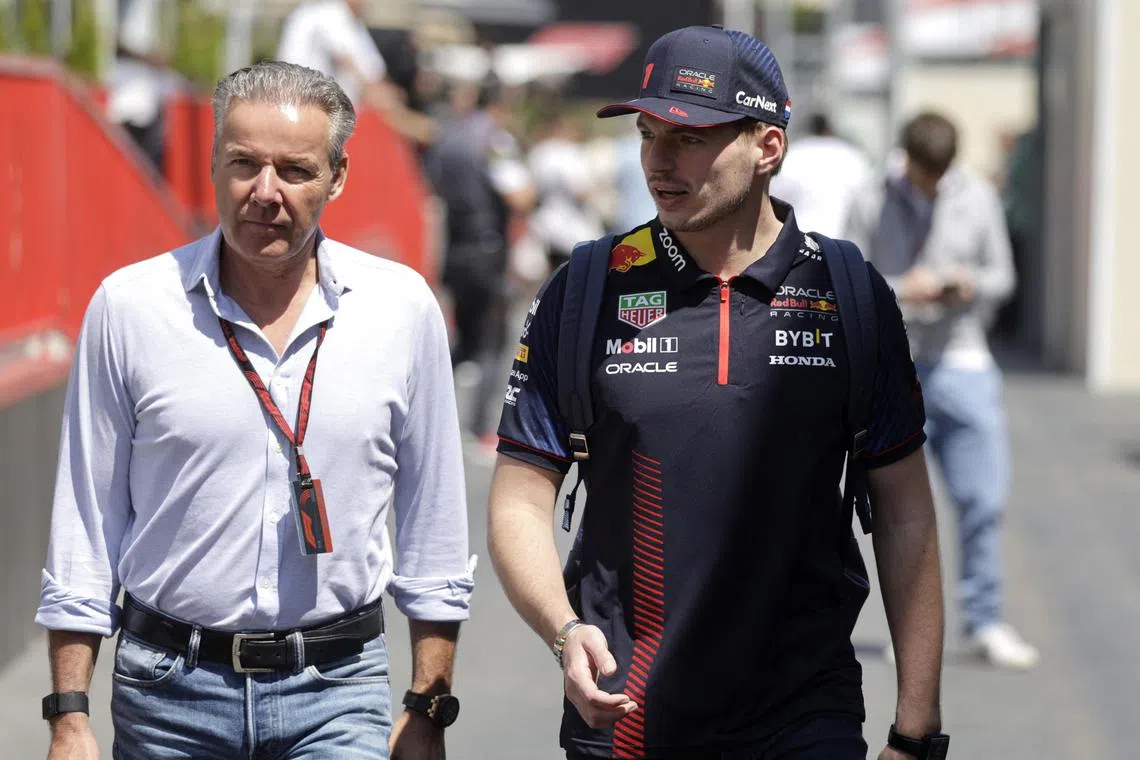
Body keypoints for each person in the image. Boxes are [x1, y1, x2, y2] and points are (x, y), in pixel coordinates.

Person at [488, 25, 947, 760]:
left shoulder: (850, 293)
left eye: (690, 137)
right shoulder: (587, 289)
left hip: (805, 717)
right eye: (648, 133)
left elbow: (903, 514)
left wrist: (917, 726)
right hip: (627, 716)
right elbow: (519, 494)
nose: (658, 162)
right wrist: (562, 627)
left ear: (768, 146)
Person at [36, 61, 473, 759]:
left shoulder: (401, 309)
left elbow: (435, 527)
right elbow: (85, 526)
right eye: (243, 164)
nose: (264, 193)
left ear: (337, 177)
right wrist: (69, 715)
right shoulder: (131, 307)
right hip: (168, 696)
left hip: (338, 690)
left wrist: (429, 706)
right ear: (212, 164)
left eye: (294, 171)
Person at [845, 111, 1037, 671]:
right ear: (906, 159)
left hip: (963, 360)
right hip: (894, 363)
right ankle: (899, 626)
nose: (931, 185)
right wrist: (908, 287)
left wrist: (968, 285)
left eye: (939, 175)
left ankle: (985, 620)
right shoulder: (869, 198)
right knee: (894, 510)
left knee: (984, 498)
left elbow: (1004, 277)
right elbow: (847, 274)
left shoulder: (975, 197)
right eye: (923, 173)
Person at [425, 77, 534, 455]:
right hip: (487, 251)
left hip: (454, 249)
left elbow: (434, 187)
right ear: (500, 104)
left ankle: (424, 409)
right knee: (492, 341)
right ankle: (483, 429)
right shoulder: (495, 141)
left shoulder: (449, 138)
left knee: (464, 341)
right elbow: (520, 196)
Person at [277, 0, 437, 147]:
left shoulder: (349, 21)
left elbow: (373, 73)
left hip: (328, 115)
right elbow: (354, 68)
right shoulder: (328, 12)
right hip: (312, 115)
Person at [770, 112, 872, 238]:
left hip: (799, 240)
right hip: (841, 243)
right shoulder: (851, 156)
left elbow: (775, 198)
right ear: (829, 129)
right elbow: (865, 208)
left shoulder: (793, 155)